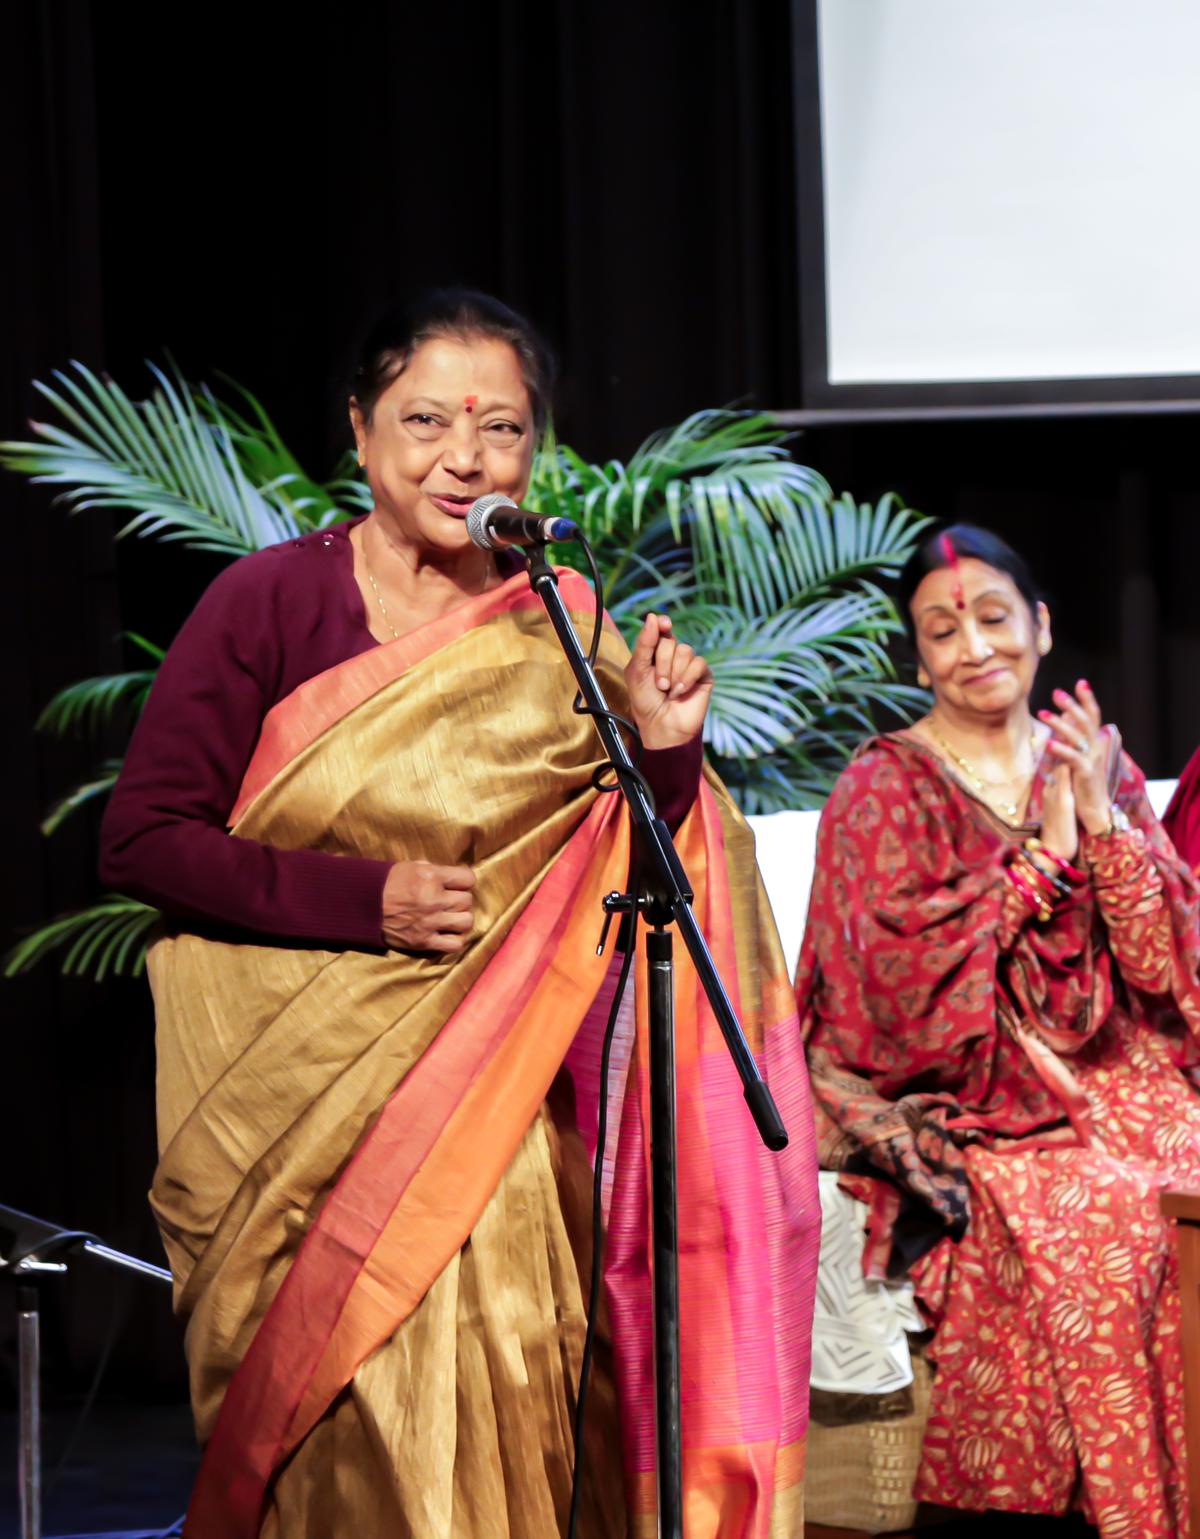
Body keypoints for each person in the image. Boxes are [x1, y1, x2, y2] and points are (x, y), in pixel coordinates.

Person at [100, 289, 818, 1539]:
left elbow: (625, 871)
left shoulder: (557, 618)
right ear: (362, 434)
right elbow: (145, 837)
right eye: (425, 420)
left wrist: (667, 756)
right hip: (304, 1107)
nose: (464, 458)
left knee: (511, 1382)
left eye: (500, 428)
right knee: (350, 1434)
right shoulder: (271, 603)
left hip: (496, 1113)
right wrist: (362, 899)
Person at [796, 522, 1200, 1539]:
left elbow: (1159, 971)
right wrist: (1041, 859)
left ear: (1042, 627)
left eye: (992, 619)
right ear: (919, 654)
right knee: (1107, 1226)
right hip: (976, 1097)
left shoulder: (1096, 764)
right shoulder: (884, 785)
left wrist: (1100, 824)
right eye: (942, 631)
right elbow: (888, 1003)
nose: (974, 648)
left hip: (1116, 1075)